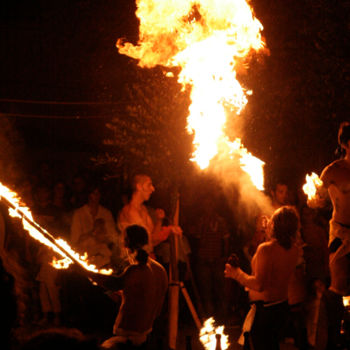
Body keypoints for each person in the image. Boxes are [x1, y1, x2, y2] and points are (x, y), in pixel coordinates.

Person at [224, 206, 300, 350]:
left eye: (272, 219)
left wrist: (236, 273)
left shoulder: (266, 249)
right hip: (281, 307)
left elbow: (259, 284)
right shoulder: (294, 249)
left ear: (276, 225)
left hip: (266, 312)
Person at [89, 225, 168, 349]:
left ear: (127, 243)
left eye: (123, 238)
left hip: (128, 335)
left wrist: (85, 271)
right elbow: (148, 299)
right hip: (147, 334)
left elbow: (113, 284)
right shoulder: (160, 269)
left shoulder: (136, 269)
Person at [307, 121, 350, 349]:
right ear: (347, 144)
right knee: (339, 284)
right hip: (341, 233)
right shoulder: (333, 171)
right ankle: (332, 338)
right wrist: (314, 200)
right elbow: (315, 198)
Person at [117, 174, 180, 257]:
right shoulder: (130, 211)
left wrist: (159, 221)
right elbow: (146, 240)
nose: (153, 189)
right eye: (149, 185)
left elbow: (152, 241)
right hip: (133, 261)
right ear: (139, 186)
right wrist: (168, 230)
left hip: (145, 258)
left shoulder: (143, 209)